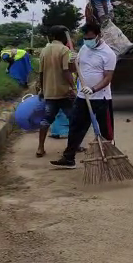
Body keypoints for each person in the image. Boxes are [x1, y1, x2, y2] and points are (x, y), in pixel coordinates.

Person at [50, 22, 116, 169]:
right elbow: (75, 69)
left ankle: (109, 158)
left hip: (101, 98)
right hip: (82, 97)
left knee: (106, 130)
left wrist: (93, 89)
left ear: (99, 36)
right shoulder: (84, 49)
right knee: (76, 126)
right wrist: (72, 61)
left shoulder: (109, 54)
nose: (88, 41)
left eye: (90, 38)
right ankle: (69, 158)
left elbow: (108, 78)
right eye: (85, 38)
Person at [37, 26, 77, 157]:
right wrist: (73, 87)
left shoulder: (44, 50)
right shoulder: (64, 50)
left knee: (46, 120)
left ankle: (40, 148)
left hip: (49, 92)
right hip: (64, 92)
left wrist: (42, 89)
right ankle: (73, 147)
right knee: (74, 119)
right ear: (64, 37)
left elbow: (41, 73)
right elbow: (67, 71)